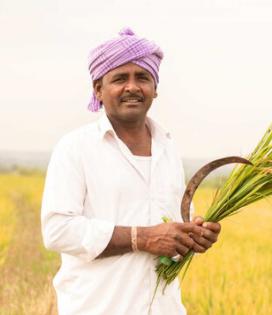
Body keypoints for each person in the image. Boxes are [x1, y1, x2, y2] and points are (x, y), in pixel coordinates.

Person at [41, 27, 221, 315]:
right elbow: (58, 231)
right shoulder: (75, 148)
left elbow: (172, 231)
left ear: (155, 88)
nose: (132, 87)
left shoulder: (168, 149)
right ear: (98, 90)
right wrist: (143, 238)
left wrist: (194, 235)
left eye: (143, 77)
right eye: (119, 78)